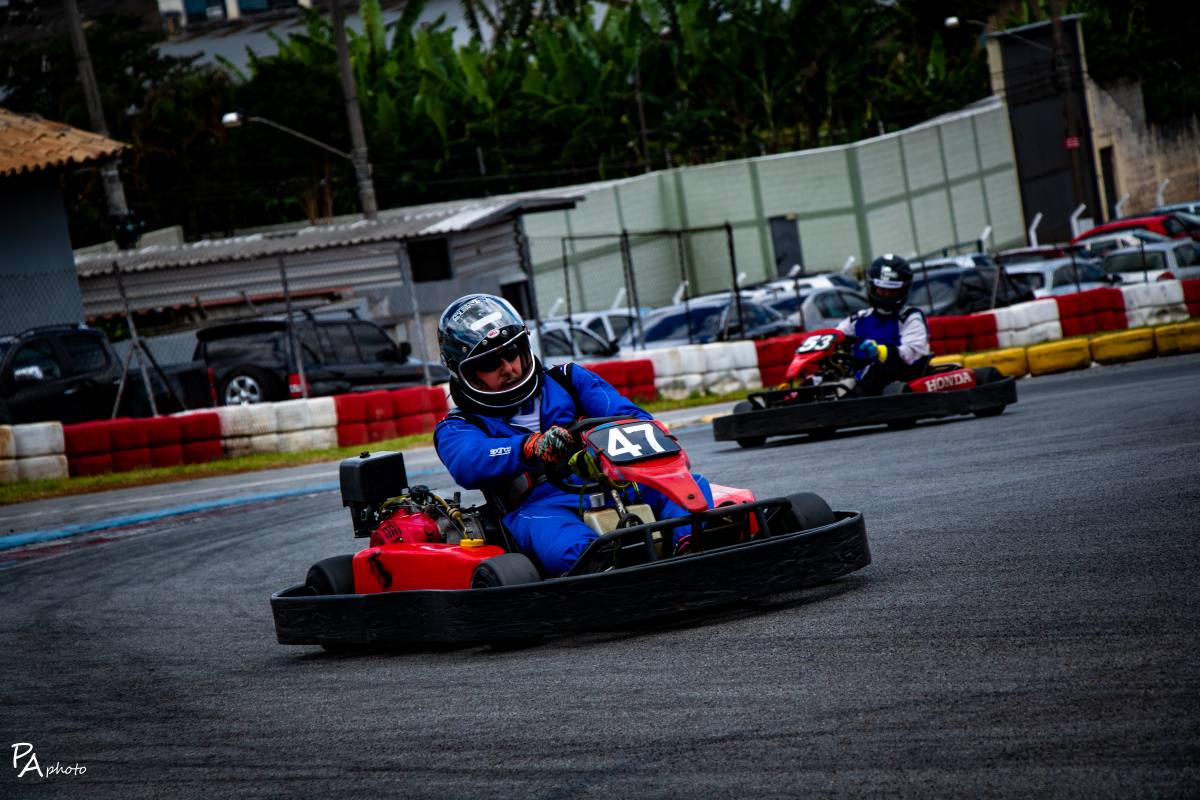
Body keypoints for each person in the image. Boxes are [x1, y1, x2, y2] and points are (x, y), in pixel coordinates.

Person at [433, 293, 714, 576]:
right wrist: (530, 447)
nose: (508, 368)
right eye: (490, 364)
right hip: (542, 505)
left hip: (615, 484)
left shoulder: (569, 380)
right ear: (465, 372)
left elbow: (635, 419)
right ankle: (606, 571)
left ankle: (693, 550)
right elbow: (469, 462)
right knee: (562, 540)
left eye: (511, 353)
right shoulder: (459, 425)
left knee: (690, 487)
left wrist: (594, 440)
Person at [837, 254, 932, 396]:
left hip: (895, 375)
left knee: (875, 370)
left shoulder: (910, 317)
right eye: (881, 289)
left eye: (891, 291)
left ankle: (848, 404)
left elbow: (912, 353)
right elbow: (836, 334)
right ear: (873, 288)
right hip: (861, 376)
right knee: (821, 377)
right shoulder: (859, 318)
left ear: (902, 290)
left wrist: (879, 352)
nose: (885, 294)